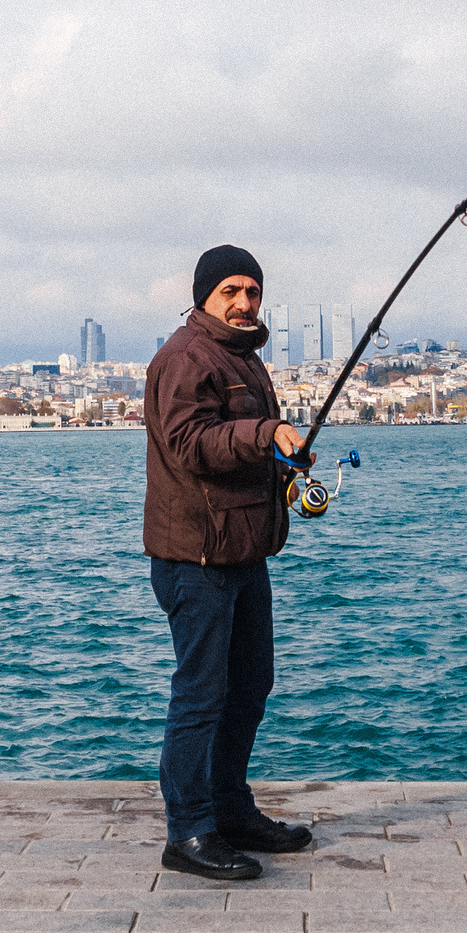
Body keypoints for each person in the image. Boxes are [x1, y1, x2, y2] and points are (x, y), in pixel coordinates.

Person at [143, 243, 318, 880]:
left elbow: (235, 446)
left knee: (250, 685)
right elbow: (190, 443)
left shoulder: (239, 357)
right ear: (204, 297)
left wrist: (282, 457)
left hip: (243, 551)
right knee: (201, 696)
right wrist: (266, 434)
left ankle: (229, 810)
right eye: (231, 292)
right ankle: (187, 832)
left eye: (253, 292)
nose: (245, 303)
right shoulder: (185, 358)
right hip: (196, 557)